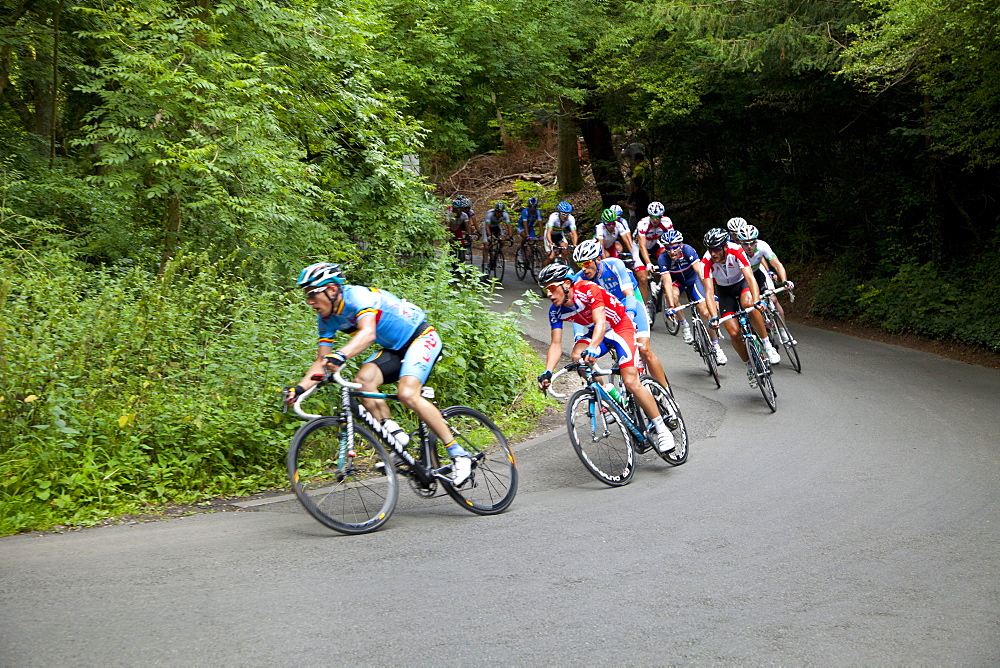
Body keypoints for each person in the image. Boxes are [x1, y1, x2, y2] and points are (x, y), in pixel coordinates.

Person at [286, 262, 474, 485]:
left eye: (313, 294)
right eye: (306, 295)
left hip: (421, 338)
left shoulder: (358, 297)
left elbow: (368, 333)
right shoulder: (327, 318)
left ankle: (459, 454)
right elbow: (321, 360)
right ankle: (396, 437)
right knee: (362, 382)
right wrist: (298, 390)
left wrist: (341, 355)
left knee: (407, 394)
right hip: (394, 349)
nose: (309, 301)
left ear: (332, 289)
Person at [534, 263, 676, 455]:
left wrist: (593, 347)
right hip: (597, 332)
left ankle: (662, 429)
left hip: (620, 327)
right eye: (545, 289)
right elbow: (556, 344)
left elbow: (601, 321)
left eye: (551, 288)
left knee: (631, 381)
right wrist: (548, 371)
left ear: (566, 284)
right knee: (577, 357)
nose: (549, 294)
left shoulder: (588, 289)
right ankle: (608, 392)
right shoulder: (555, 310)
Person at [571, 239, 669, 390]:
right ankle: (607, 396)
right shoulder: (579, 280)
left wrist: (629, 316)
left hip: (629, 303)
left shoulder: (614, 265)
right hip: (608, 313)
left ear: (598, 259)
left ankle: (666, 392)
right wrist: (578, 336)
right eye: (579, 264)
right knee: (583, 359)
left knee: (644, 349)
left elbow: (629, 294)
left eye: (586, 263)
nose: (583, 269)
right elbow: (577, 311)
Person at [700, 229, 782, 388]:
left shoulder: (736, 250)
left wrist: (757, 300)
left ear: (724, 247)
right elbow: (709, 292)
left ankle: (767, 345)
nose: (713, 253)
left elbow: (750, 278)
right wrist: (713, 316)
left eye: (716, 249)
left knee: (749, 305)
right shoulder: (706, 261)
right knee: (734, 333)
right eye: (710, 249)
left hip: (741, 284)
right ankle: (750, 367)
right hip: (725, 292)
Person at [734, 223, 795, 336]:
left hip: (757, 274)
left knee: (773, 299)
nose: (749, 247)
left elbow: (777, 264)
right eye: (745, 244)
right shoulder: (736, 251)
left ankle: (783, 330)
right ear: (740, 243)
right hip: (743, 278)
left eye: (752, 243)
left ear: (756, 240)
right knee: (750, 304)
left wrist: (784, 280)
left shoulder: (762, 246)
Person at [656, 229, 712, 345]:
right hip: (678, 281)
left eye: (675, 247)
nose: (671, 252)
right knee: (671, 296)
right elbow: (667, 282)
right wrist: (671, 306)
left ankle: (716, 346)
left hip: (692, 279)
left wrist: (710, 293)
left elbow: (700, 273)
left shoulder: (688, 250)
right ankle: (685, 326)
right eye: (668, 248)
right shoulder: (663, 258)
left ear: (681, 245)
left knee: (705, 312)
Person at [634, 201, 674, 304]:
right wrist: (648, 263)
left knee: (668, 258)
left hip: (654, 245)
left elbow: (672, 242)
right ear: (649, 215)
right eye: (653, 217)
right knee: (643, 279)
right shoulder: (643, 223)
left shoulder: (667, 222)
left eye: (658, 217)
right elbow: (642, 246)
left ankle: (661, 284)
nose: (655, 220)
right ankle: (644, 306)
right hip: (638, 247)